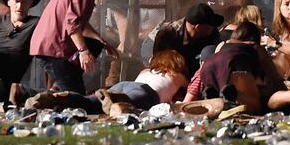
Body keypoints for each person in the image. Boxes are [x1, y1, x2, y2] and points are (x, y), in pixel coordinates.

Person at [23, 50, 189, 114]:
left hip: (124, 84)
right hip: (146, 92)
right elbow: (191, 90)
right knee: (129, 102)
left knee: (89, 102)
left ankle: (53, 97)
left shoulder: (146, 71)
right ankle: (114, 99)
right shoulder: (178, 75)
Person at [142, 3, 223, 76]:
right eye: (210, 27)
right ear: (198, 27)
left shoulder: (211, 33)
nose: (213, 29)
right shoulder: (168, 34)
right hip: (152, 46)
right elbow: (161, 64)